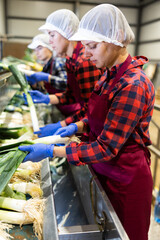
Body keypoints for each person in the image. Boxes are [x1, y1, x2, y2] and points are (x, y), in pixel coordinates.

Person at [19, 4, 155, 240]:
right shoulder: (108, 75)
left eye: (92, 46)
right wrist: (76, 126)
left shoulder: (132, 85)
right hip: (104, 170)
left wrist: (53, 150)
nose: (86, 53)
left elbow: (107, 147)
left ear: (115, 41)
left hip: (125, 179)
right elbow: (93, 117)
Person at [24, 9, 102, 137]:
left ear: (67, 32)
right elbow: (71, 95)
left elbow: (92, 110)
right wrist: (47, 98)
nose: (49, 41)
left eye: (52, 35)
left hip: (91, 124)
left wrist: (62, 124)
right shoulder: (70, 60)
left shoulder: (84, 61)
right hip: (83, 119)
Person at [26, 33, 71, 117]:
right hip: (61, 107)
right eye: (35, 50)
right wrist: (34, 85)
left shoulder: (57, 62)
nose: (37, 53)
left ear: (49, 47)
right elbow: (47, 92)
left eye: (39, 48)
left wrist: (48, 78)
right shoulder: (46, 67)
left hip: (71, 108)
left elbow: (66, 84)